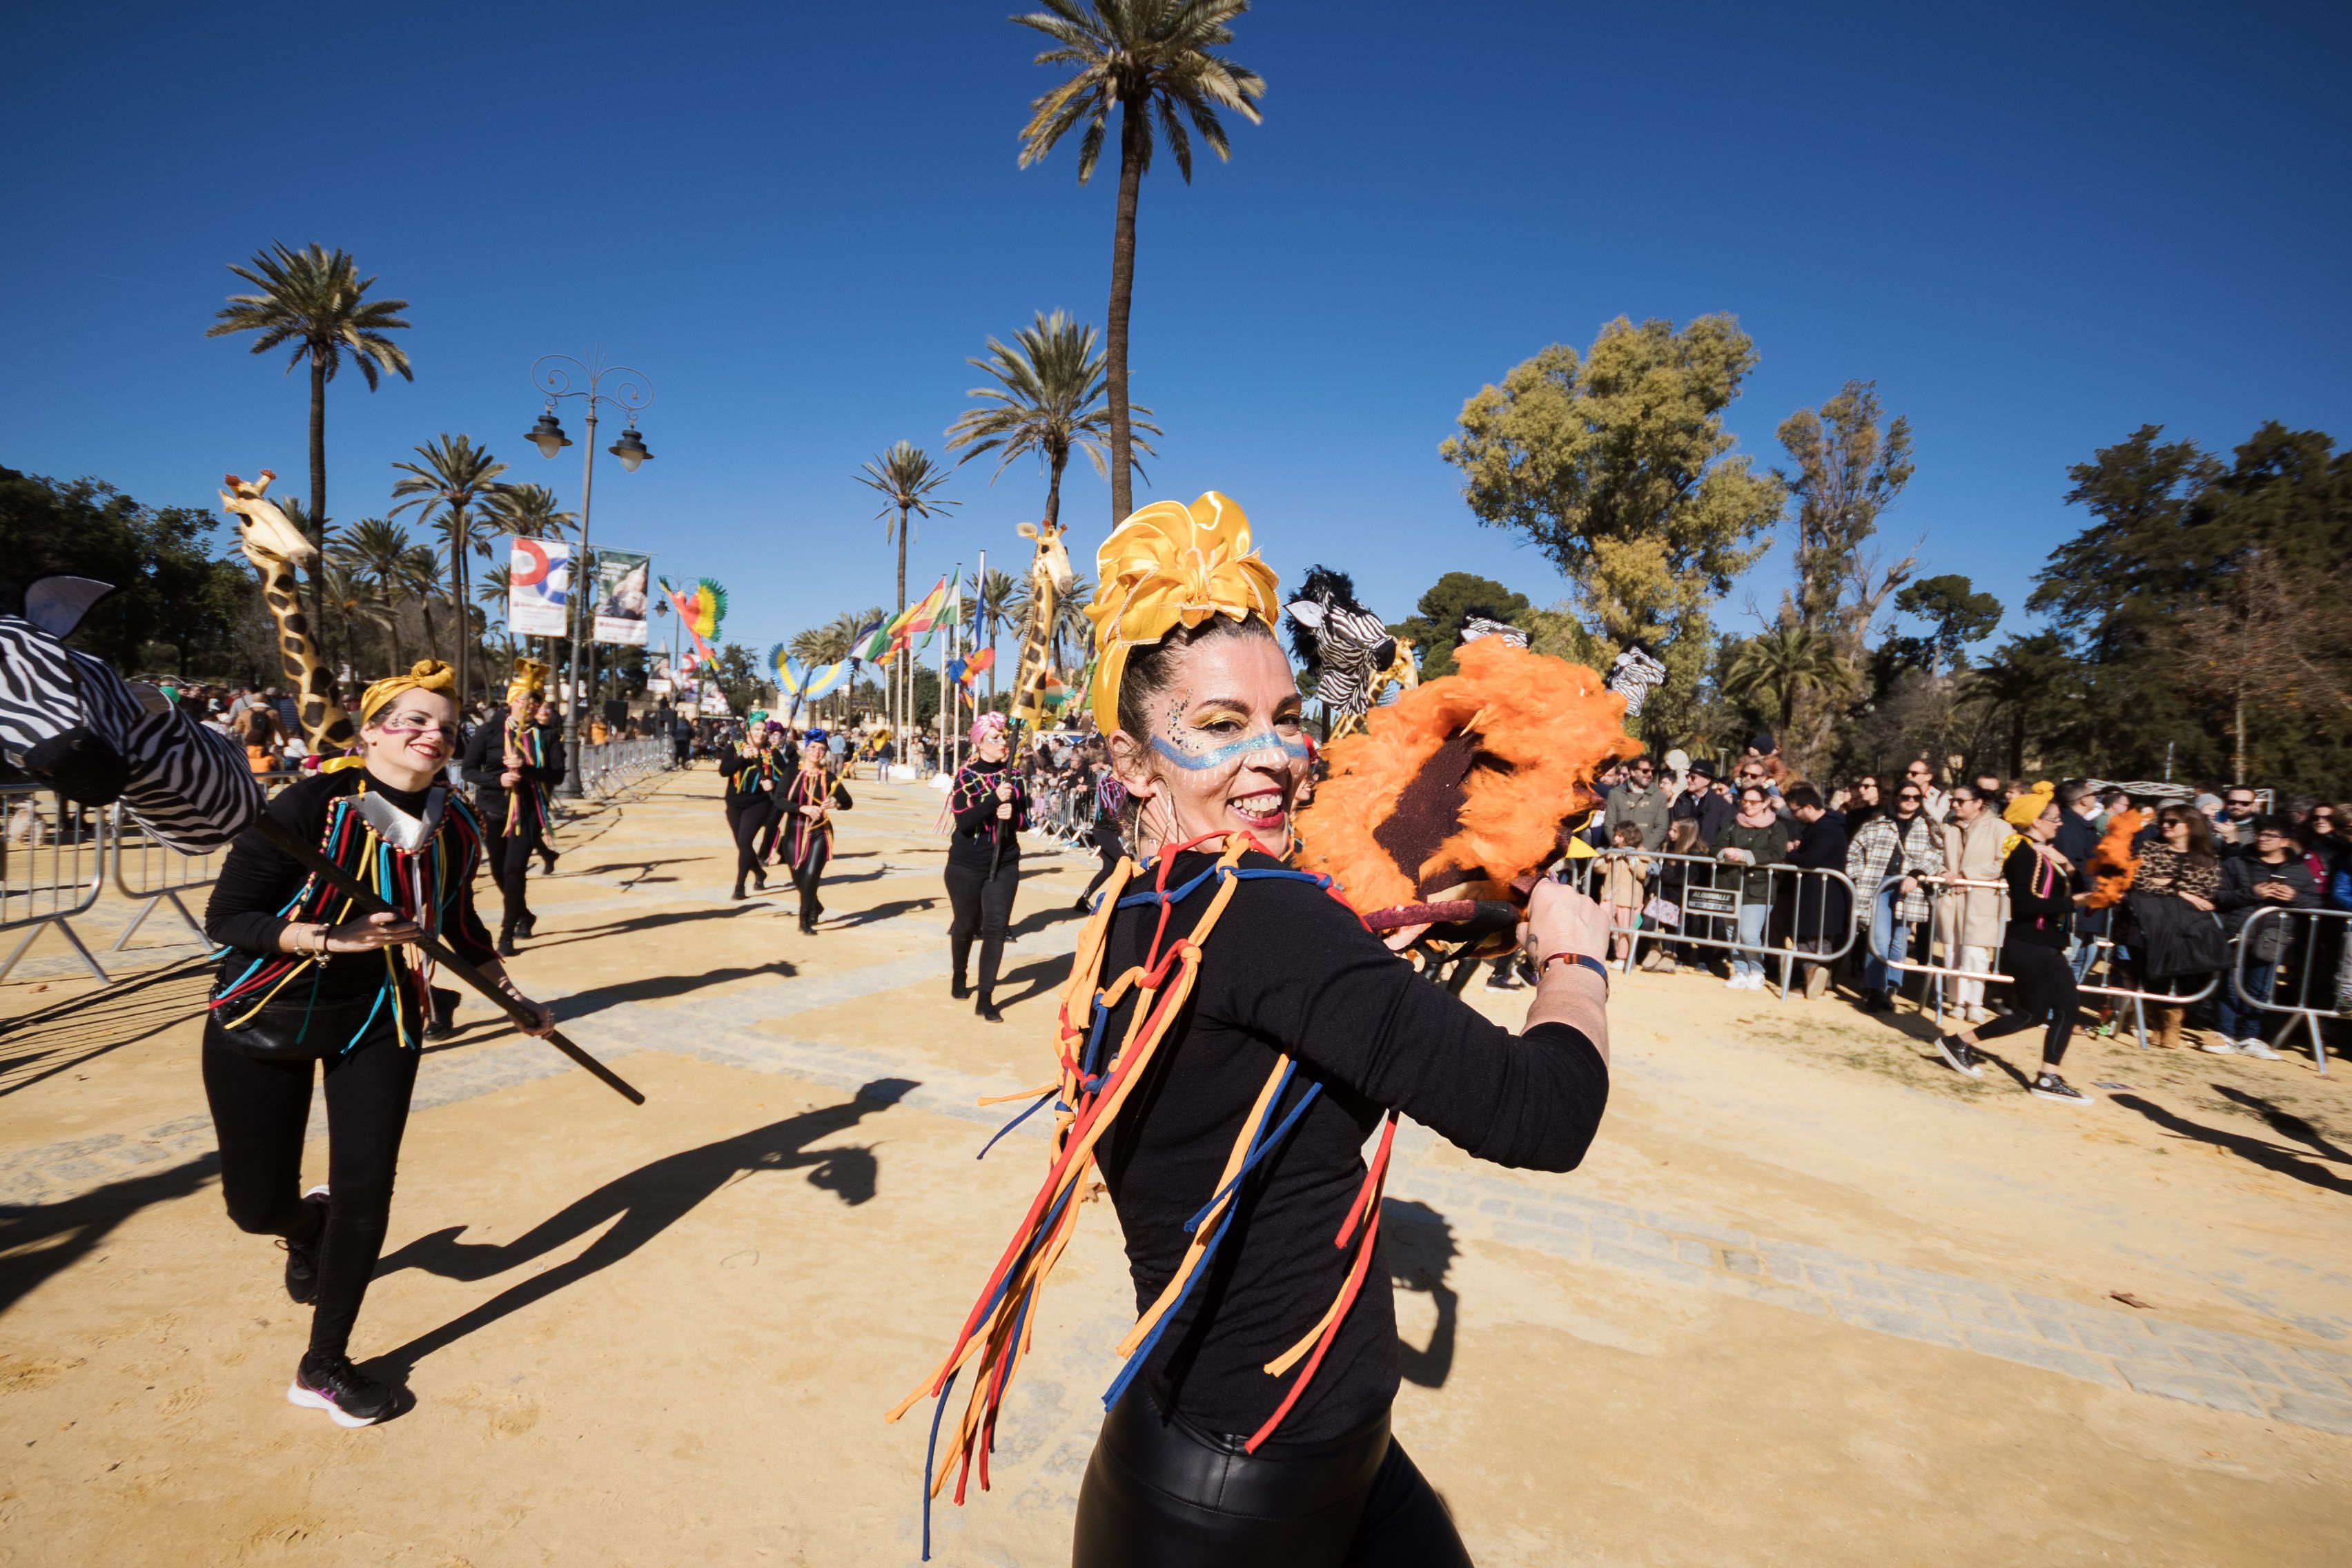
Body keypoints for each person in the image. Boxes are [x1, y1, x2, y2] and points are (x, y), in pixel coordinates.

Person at [935, 493, 1610, 1567]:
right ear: (1129, 761)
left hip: (1287, 1459)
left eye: (1287, 716)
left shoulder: (1142, 905)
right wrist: (1574, 959)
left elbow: (1267, 1045)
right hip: (1238, 1505)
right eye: (1217, 727)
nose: (1276, 756)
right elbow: (1547, 1112)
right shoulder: (1263, 919)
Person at [202, 659, 556, 1428]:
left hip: (380, 1017)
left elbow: (457, 928)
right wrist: (336, 936)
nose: (434, 734)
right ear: (370, 732)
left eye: (445, 724)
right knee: (254, 1205)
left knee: (369, 1187)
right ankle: (303, 1227)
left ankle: (324, 1363)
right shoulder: (309, 808)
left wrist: (517, 999)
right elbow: (227, 918)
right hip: (268, 1008)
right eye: (414, 720)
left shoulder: (457, 822)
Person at [1930, 785, 2095, 1104]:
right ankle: (2047, 1077)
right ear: (2036, 820)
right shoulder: (2023, 853)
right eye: (2054, 819)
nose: (2059, 824)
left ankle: (1960, 1043)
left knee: (2036, 1014)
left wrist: (2070, 867)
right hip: (2033, 943)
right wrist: (2073, 902)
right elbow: (2026, 905)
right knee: (2062, 1010)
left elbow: (2069, 888)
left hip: (2042, 943)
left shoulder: (2046, 853)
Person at [459, 662, 565, 956]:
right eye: (524, 700)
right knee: (498, 873)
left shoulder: (547, 737)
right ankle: (525, 914)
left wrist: (528, 770)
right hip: (493, 810)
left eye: (536, 701)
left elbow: (557, 774)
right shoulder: (490, 732)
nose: (530, 706)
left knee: (514, 870)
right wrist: (498, 779)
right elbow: (468, 769)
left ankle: (506, 935)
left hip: (529, 814)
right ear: (511, 701)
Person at [2209, 816, 2317, 1058]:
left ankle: (2250, 1036)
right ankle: (2224, 1033)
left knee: (2261, 987)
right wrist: (2251, 893)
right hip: (2238, 932)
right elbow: (2219, 896)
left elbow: (2316, 903)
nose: (2263, 839)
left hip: (2273, 936)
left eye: (2271, 836)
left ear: (2286, 841)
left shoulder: (2299, 872)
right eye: (2261, 834)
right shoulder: (2236, 863)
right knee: (2230, 985)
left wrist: (2295, 898)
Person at [945, 711, 1028, 1021]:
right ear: (980, 743)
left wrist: (1013, 815)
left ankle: (986, 997)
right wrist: (994, 802)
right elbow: (964, 822)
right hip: (966, 864)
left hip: (1004, 862)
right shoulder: (965, 776)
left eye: (1004, 737)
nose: (1003, 743)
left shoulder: (1016, 776)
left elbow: (1024, 821)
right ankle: (959, 974)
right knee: (966, 925)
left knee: (995, 928)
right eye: (995, 739)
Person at [1846, 776, 1945, 1012]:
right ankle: (1874, 988)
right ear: (1896, 798)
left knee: (1899, 940)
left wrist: (1917, 873)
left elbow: (1937, 855)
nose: (1911, 801)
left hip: (1909, 886)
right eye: (1905, 797)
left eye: (1916, 797)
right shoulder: (1877, 824)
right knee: (1879, 937)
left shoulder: (1928, 826)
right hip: (1878, 884)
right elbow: (1854, 852)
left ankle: (1892, 987)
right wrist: (1860, 877)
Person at [1942, 783, 2008, 1024]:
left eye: (1961, 800)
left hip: (1982, 899)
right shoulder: (1948, 827)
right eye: (1953, 800)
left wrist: (1968, 875)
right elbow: (1936, 855)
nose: (1955, 804)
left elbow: (2004, 861)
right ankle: (1956, 1001)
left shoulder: (2000, 828)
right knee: (1952, 950)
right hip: (1952, 898)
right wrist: (1944, 872)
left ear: (1979, 803)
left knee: (1976, 952)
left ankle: (1975, 1003)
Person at [1784, 784, 1851, 999]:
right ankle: (1812, 978)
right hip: (1815, 890)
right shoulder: (1821, 826)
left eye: (1795, 810)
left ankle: (1817, 977)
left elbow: (1812, 860)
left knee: (1817, 938)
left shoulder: (1829, 828)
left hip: (1825, 893)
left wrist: (1791, 855)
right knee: (1806, 937)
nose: (1793, 816)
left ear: (1809, 807)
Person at [1716, 782, 1786, 990]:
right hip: (1730, 885)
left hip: (1760, 889)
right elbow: (1715, 846)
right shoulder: (1732, 823)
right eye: (1744, 801)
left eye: (1753, 802)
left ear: (1765, 802)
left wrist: (1745, 856)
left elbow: (1776, 853)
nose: (1748, 805)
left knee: (1749, 933)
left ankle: (1757, 970)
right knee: (1732, 932)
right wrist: (1724, 854)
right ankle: (1740, 971)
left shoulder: (1777, 827)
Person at [778, 742, 852, 934]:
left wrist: (836, 802)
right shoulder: (792, 772)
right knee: (799, 879)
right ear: (805, 750)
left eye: (821, 749)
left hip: (820, 832)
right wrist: (802, 808)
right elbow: (779, 800)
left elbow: (848, 802)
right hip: (795, 829)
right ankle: (815, 905)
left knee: (811, 875)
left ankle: (804, 920)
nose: (816, 752)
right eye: (812, 748)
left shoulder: (829, 777)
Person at [721, 722, 784, 901]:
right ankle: (759, 872)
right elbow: (724, 771)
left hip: (759, 803)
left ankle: (740, 885)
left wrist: (773, 783)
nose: (761, 733)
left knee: (744, 840)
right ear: (748, 731)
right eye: (757, 729)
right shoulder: (734, 748)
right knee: (743, 846)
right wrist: (742, 758)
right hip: (734, 803)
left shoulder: (772, 753)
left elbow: (787, 778)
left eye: (764, 730)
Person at [1600, 821, 1649, 964]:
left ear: (1629, 836)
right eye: (1616, 835)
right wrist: (1598, 862)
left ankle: (1622, 957)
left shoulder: (1642, 852)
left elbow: (1642, 874)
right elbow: (1605, 870)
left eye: (1620, 836)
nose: (1616, 839)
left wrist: (1633, 862)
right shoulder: (1613, 851)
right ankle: (1599, 952)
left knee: (1624, 929)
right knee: (1601, 921)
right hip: (1610, 895)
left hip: (1628, 898)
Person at [1603, 754, 1669, 851]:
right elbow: (1609, 824)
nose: (1650, 774)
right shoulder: (1616, 794)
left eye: (1653, 771)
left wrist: (1644, 849)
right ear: (1633, 772)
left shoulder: (1659, 796)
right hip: (1620, 854)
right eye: (1645, 771)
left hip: (1647, 856)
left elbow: (1661, 828)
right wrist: (1620, 846)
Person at [1672, 760, 1735, 849]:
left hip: (1707, 857)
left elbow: (1724, 836)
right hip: (1681, 854)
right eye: (1687, 776)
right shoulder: (1681, 801)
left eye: (1693, 777)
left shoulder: (1722, 806)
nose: (1688, 780)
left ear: (1707, 780)